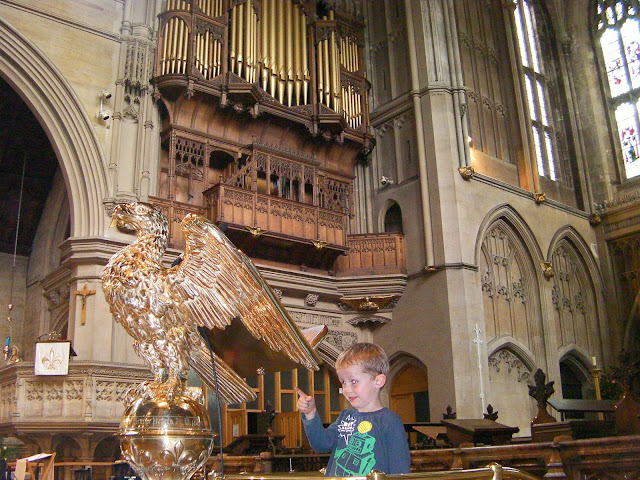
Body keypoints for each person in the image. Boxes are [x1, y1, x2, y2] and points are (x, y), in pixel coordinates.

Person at [295, 342, 411, 476]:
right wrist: (310, 414)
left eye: (353, 382)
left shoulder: (389, 421)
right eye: (343, 382)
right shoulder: (345, 417)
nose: (347, 390)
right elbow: (321, 444)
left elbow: (400, 470)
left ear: (378, 381)